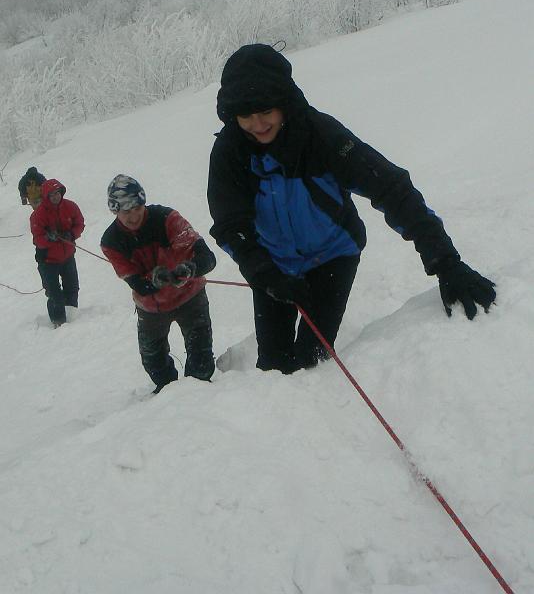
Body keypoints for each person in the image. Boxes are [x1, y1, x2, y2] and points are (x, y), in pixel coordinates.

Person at [207, 43, 496, 374]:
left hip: (333, 256)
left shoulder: (321, 137)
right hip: (272, 265)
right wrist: (263, 272)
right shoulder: (230, 152)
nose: (257, 124)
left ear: (284, 101)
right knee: (273, 367)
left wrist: (446, 262)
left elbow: (392, 189)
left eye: (265, 111)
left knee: (312, 362)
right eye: (246, 115)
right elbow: (230, 223)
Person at [100, 175, 217, 393]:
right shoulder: (111, 241)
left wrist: (190, 269)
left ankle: (200, 394)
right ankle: (167, 397)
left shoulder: (167, 218)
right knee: (153, 362)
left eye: (137, 207)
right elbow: (137, 284)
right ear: (115, 211)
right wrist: (154, 281)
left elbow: (207, 258)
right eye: (126, 211)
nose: (133, 216)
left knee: (201, 357)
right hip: (151, 308)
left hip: (190, 297)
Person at [30, 179, 85, 327]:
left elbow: (79, 223)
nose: (55, 196)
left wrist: (71, 234)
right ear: (46, 196)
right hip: (48, 261)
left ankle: (72, 318)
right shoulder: (38, 214)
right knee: (55, 295)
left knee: (72, 288)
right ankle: (58, 322)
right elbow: (37, 239)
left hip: (68, 257)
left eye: (57, 193)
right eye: (51, 194)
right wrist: (49, 238)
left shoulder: (70, 206)